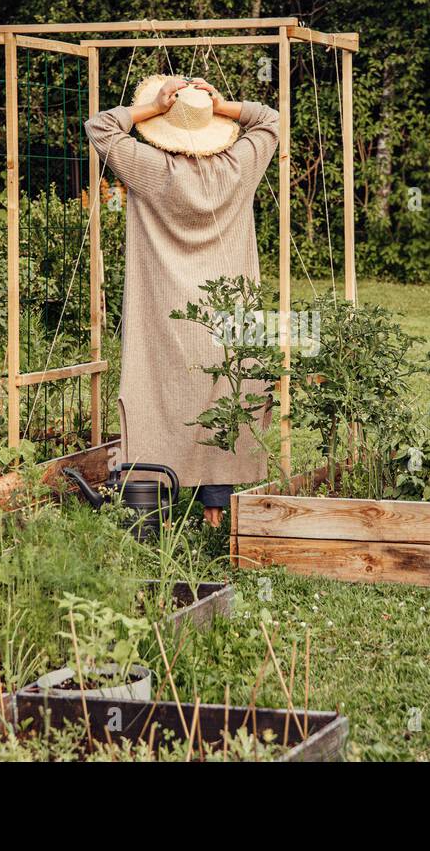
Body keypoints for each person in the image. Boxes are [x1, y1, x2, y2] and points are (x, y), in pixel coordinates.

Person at [85, 75, 279, 527]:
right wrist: (223, 103)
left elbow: (100, 127)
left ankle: (156, 510)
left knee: (161, 391)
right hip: (230, 308)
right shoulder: (240, 166)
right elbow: (269, 120)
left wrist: (151, 107)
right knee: (227, 391)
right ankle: (215, 510)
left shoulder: (151, 169)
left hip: (166, 307)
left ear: (163, 128)